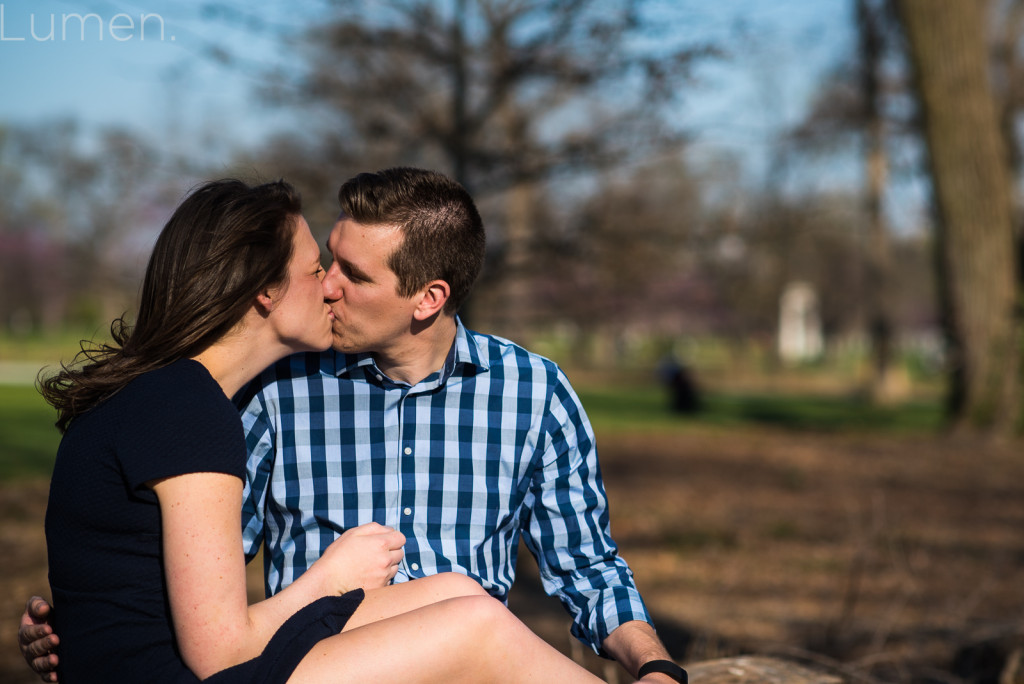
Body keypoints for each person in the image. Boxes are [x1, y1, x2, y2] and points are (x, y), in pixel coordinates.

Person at [21, 168, 687, 684]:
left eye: (351, 273)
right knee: (477, 620)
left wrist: (655, 664)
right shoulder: (246, 399)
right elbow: (202, 613)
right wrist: (80, 628)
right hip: (295, 663)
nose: (331, 286)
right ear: (263, 290)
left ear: (428, 298)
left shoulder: (533, 392)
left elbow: (585, 564)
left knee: (460, 593)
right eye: (321, 265)